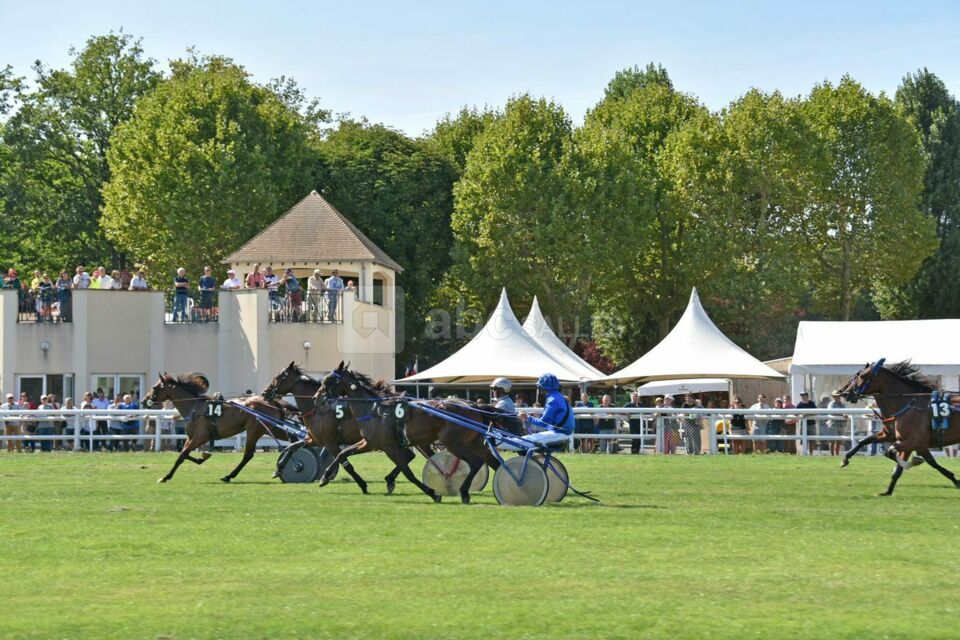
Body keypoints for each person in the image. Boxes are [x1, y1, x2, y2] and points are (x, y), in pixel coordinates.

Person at [518, 373, 575, 449]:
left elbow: (543, 423)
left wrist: (527, 417)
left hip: (557, 433)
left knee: (521, 441)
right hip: (562, 432)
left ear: (543, 386)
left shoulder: (552, 399)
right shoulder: (558, 396)